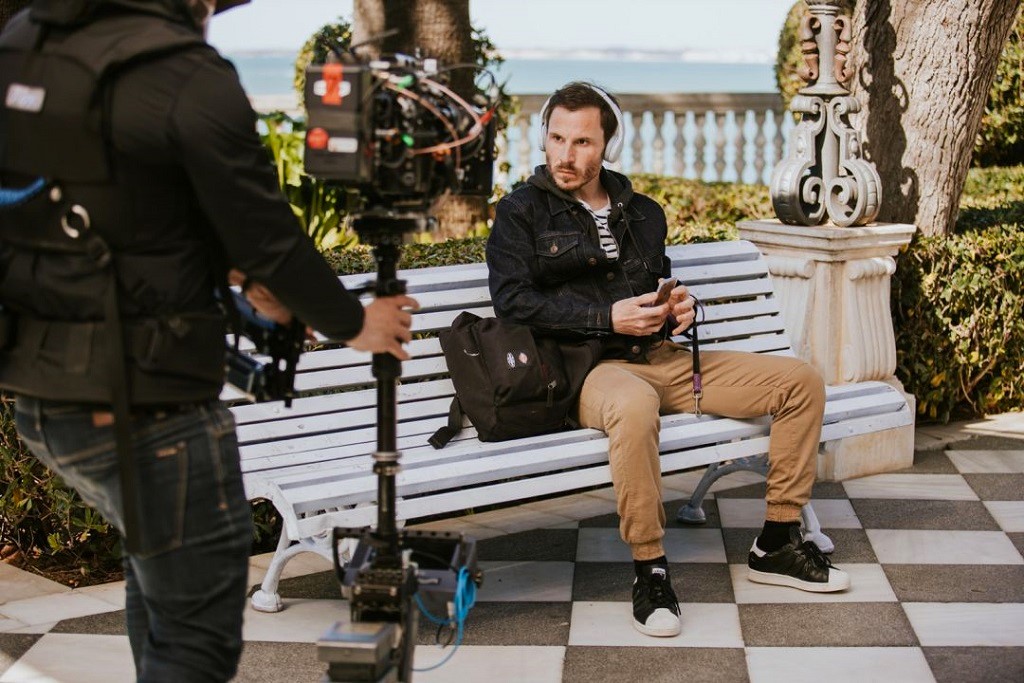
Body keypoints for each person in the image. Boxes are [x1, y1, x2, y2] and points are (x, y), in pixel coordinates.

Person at [0, 1, 418, 680]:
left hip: (44, 395)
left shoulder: (27, 39)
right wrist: (356, 323)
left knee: (161, 582)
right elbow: (269, 235)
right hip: (149, 406)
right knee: (194, 642)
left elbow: (105, 202)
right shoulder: (183, 73)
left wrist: (223, 265)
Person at [486, 81, 850, 639]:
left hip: (664, 357)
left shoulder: (643, 213)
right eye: (556, 138)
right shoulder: (520, 212)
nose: (564, 154)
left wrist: (679, 308)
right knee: (634, 407)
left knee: (800, 381)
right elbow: (513, 301)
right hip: (591, 371)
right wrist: (609, 318)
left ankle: (777, 540)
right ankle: (650, 568)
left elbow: (660, 285)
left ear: (608, 143)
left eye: (581, 141)